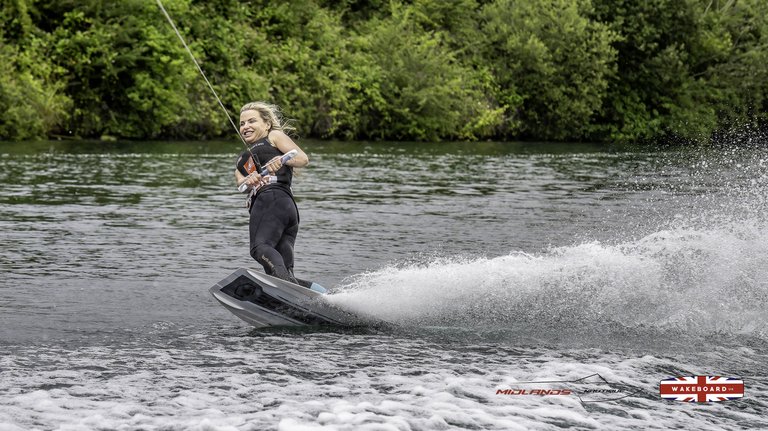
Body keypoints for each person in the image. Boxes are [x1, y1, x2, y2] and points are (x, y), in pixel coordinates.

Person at [234, 102, 309, 285]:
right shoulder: (241, 161)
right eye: (242, 124)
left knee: (260, 248)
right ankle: (322, 297)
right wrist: (249, 180)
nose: (246, 127)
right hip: (285, 209)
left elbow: (302, 158)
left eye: (252, 121)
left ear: (266, 124)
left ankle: (289, 294)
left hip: (273, 201)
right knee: (281, 269)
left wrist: (282, 161)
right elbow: (240, 183)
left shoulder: (273, 136)